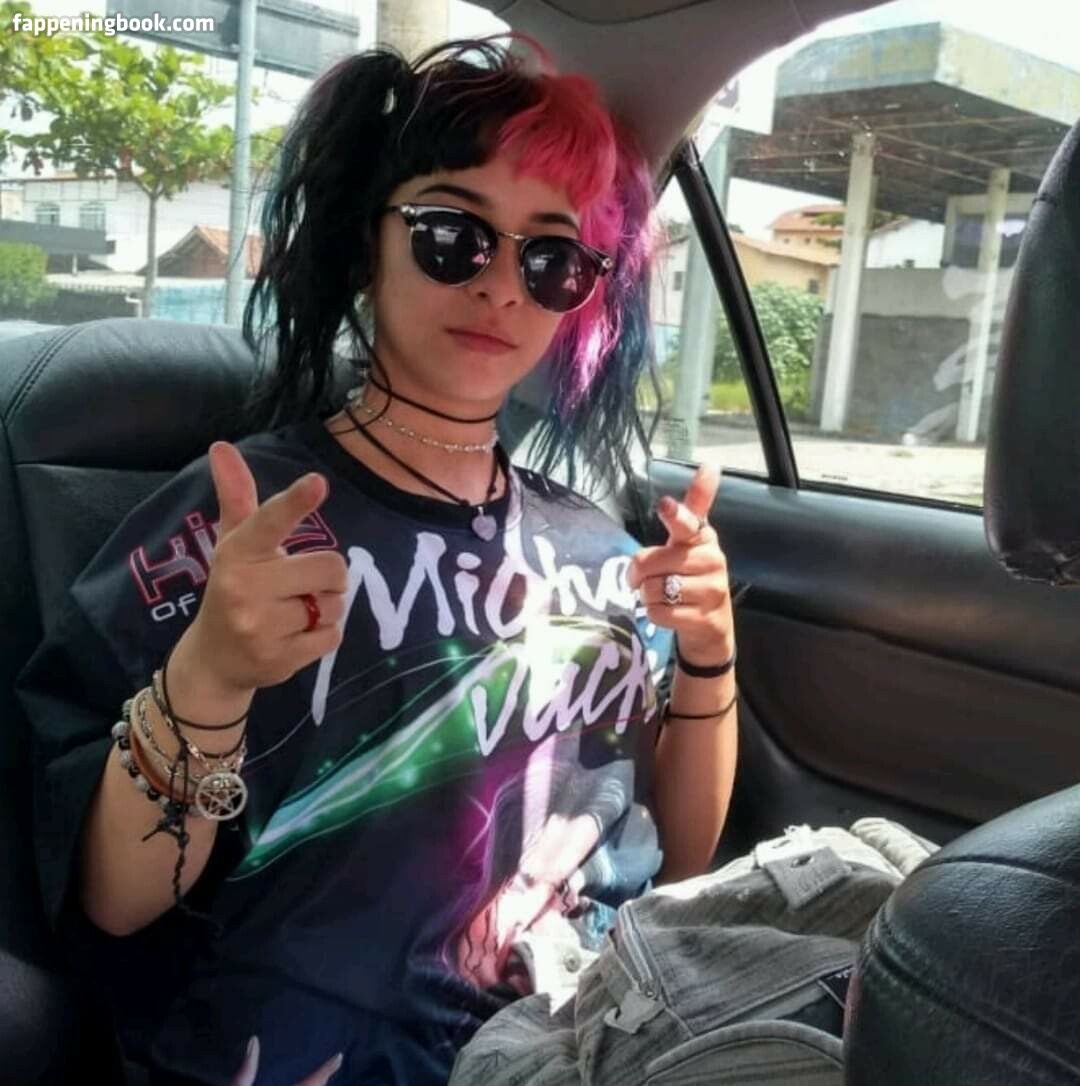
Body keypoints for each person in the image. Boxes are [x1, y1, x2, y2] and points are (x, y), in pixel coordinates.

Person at [17, 36, 739, 1086]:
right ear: (370, 241)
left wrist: (709, 656)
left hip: (597, 1039)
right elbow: (116, 902)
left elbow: (679, 855)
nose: (502, 286)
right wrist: (207, 681)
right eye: (453, 236)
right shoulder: (242, 523)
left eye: (551, 259)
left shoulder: (603, 545)